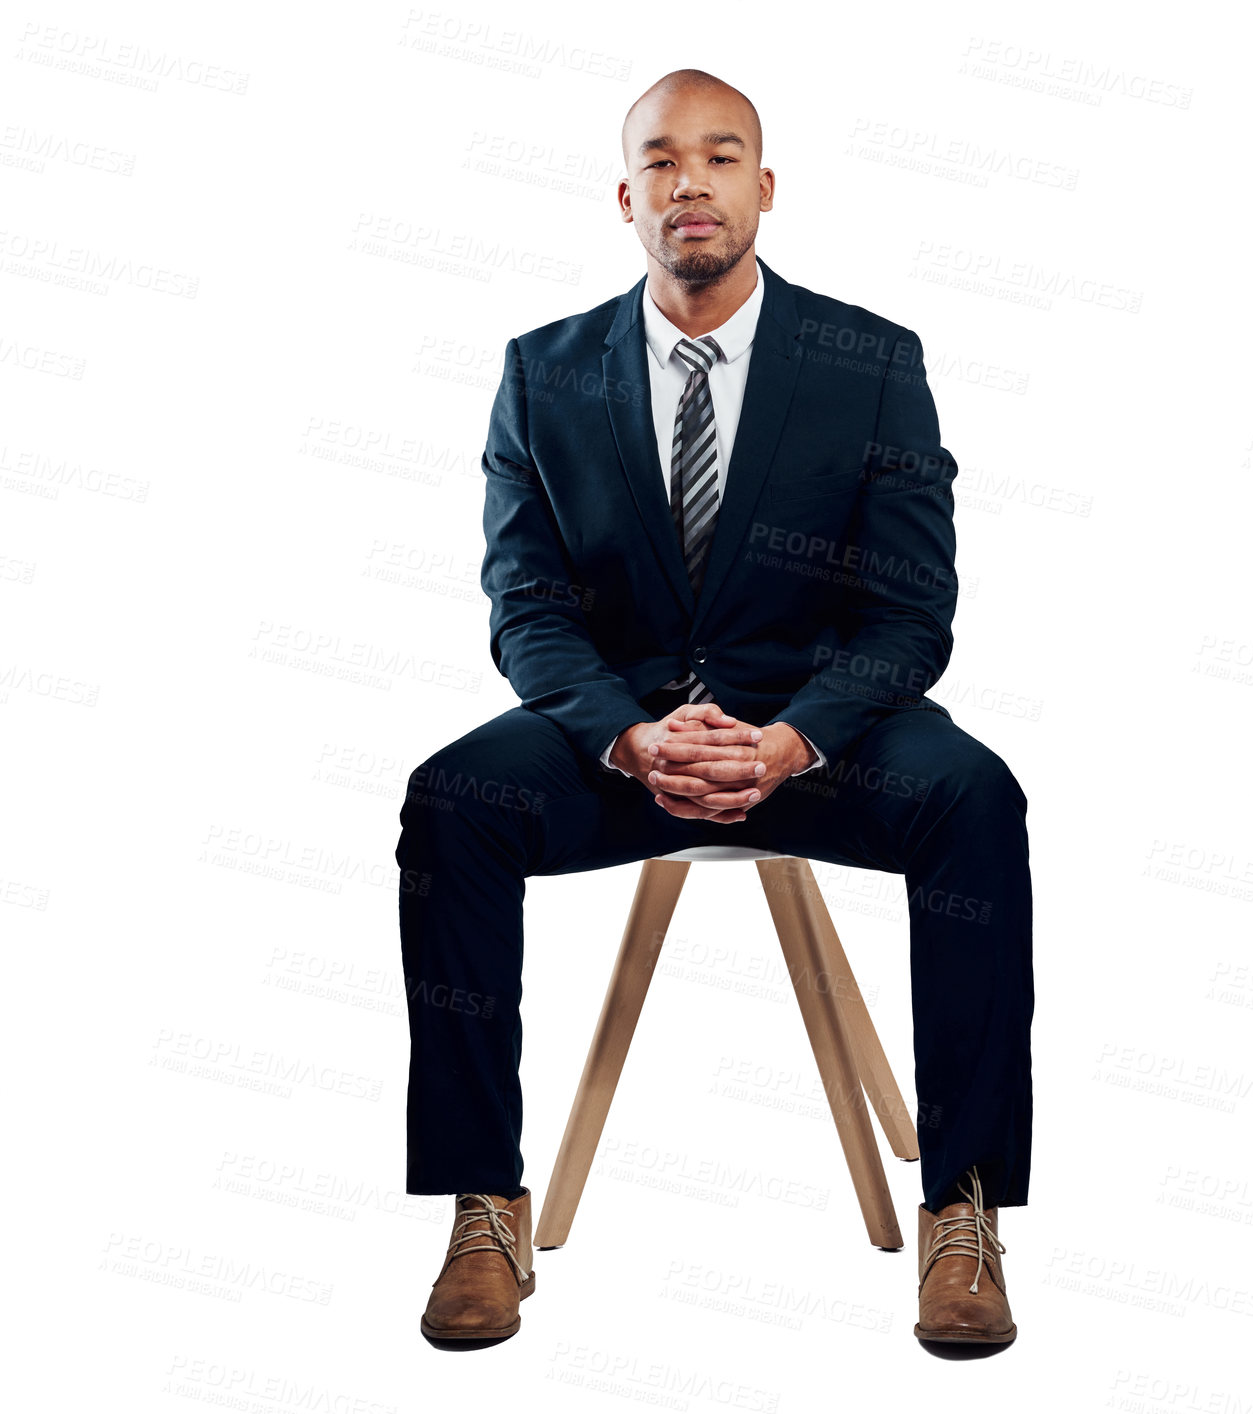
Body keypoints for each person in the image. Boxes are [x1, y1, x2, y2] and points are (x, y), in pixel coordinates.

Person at [397, 67, 1033, 1350]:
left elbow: (912, 612)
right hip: (622, 734)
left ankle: (961, 1207)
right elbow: (525, 605)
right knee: (453, 797)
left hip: (818, 736)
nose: (691, 180)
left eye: (722, 156)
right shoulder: (543, 371)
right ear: (623, 195)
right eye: (662, 159)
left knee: (975, 797)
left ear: (765, 189)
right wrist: (625, 737)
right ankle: (483, 1203)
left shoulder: (869, 361)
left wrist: (795, 735)